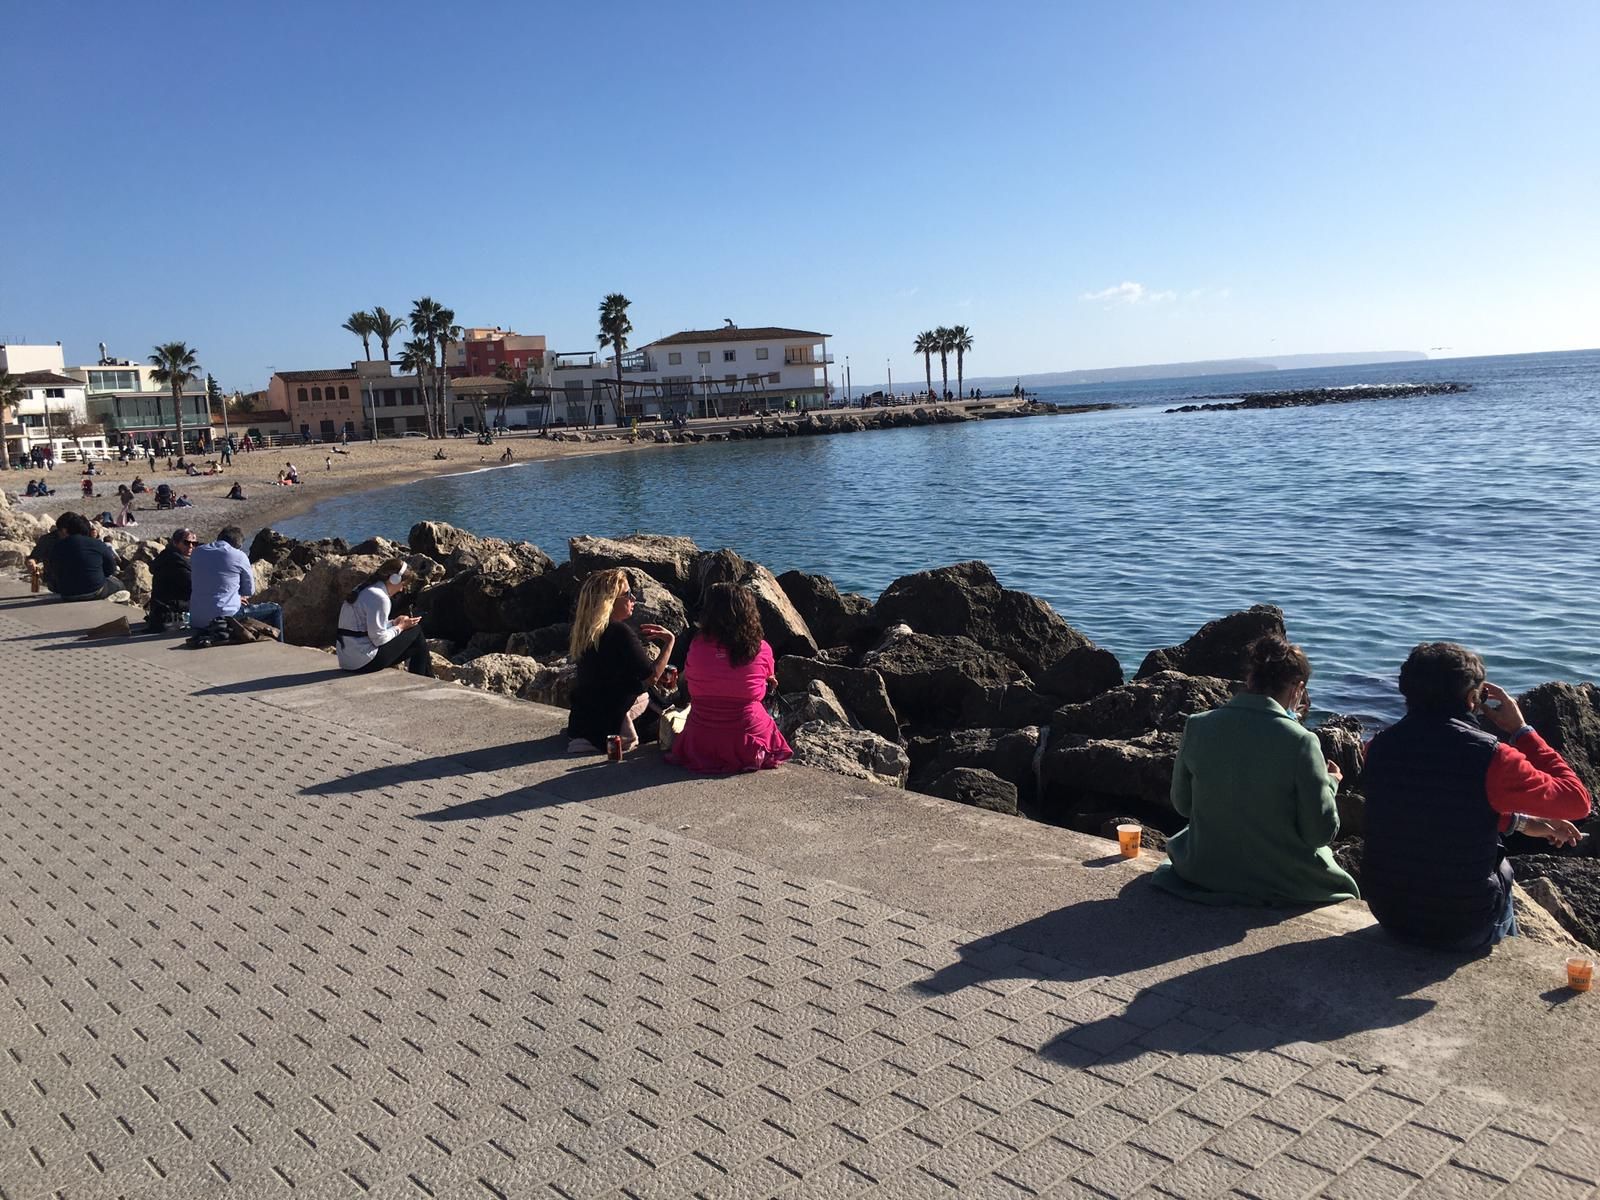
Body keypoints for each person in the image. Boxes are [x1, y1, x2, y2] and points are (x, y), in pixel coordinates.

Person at [1362, 643, 1591, 950]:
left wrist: (1522, 822)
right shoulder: (1493, 758)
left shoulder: (1377, 747)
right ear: (1472, 699)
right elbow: (1577, 801)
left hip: (1389, 913)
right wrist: (1521, 730)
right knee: (1504, 871)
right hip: (1461, 926)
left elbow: (1433, 810)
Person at [1153, 635, 1357, 906]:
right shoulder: (1301, 741)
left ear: (1250, 679)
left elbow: (1183, 805)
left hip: (1205, 869)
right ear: (1298, 689)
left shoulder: (1198, 725)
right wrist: (1330, 783)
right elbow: (1319, 833)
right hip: (1280, 879)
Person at [665, 583, 793, 775]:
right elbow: (765, 680)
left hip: (701, 738)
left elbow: (690, 680)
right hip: (747, 737)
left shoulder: (697, 645)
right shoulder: (761, 648)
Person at [565, 569, 675, 755]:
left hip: (584, 720)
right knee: (673, 722)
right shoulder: (619, 632)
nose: (633, 599)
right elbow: (652, 677)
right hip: (613, 719)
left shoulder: (585, 632)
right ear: (610, 601)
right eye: (627, 594)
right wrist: (669, 642)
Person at [334, 559, 432, 676]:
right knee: (416, 631)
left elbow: (366, 628)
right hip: (363, 662)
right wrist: (400, 627)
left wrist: (393, 623)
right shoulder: (380, 598)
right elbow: (378, 639)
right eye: (403, 585)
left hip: (346, 659)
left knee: (416, 645)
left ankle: (424, 677)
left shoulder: (363, 589)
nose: (401, 590)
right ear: (394, 579)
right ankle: (425, 678)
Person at [188, 526, 283, 638]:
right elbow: (249, 590)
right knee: (275, 609)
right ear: (238, 545)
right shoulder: (239, 556)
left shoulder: (197, 553)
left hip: (197, 619)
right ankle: (279, 647)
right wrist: (236, 596)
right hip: (224, 617)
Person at [49, 512, 125, 602]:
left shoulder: (57, 547)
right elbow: (111, 568)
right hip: (94, 591)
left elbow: (54, 571)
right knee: (119, 585)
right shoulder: (96, 543)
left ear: (65, 531)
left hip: (67, 594)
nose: (58, 534)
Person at [147, 528, 197, 631]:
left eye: (194, 543)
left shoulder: (166, 556)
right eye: (187, 543)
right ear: (175, 542)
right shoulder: (176, 562)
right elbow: (194, 585)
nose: (191, 546)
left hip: (160, 612)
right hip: (170, 614)